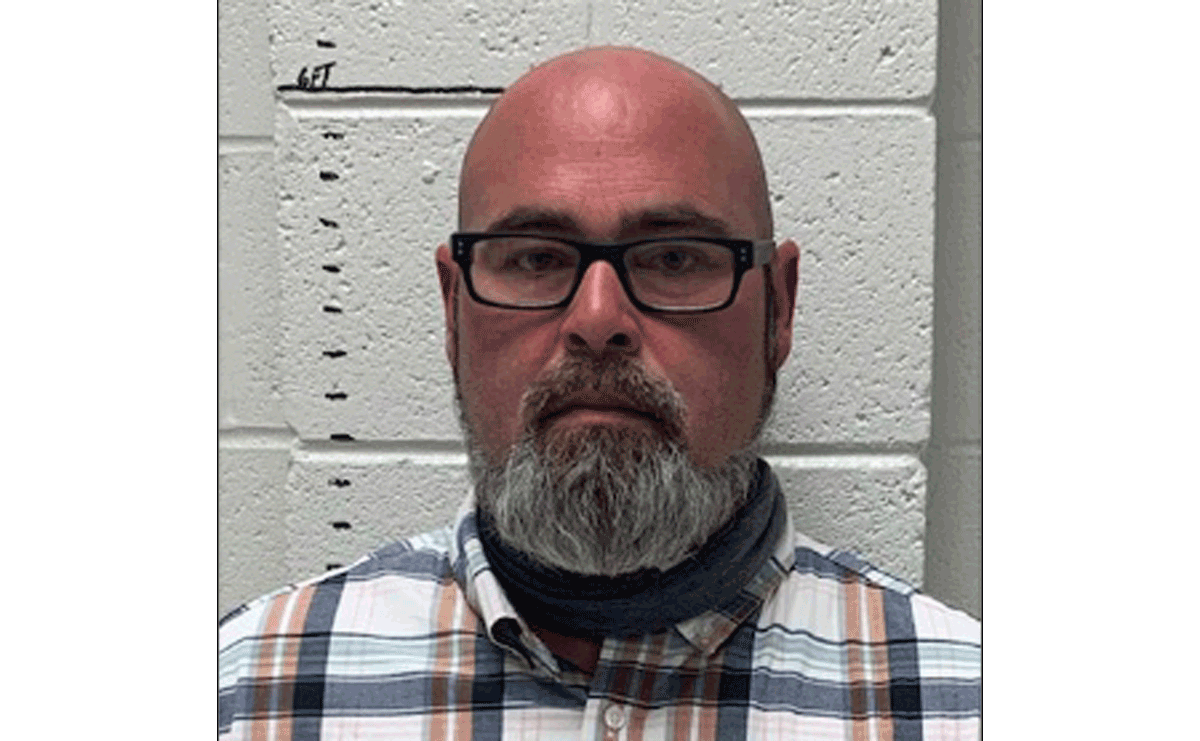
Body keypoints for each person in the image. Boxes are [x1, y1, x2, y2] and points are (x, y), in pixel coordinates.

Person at [219, 46, 981, 740]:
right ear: (453, 310)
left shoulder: (952, 702)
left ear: (777, 309)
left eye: (675, 258)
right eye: (535, 258)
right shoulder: (255, 692)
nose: (597, 319)